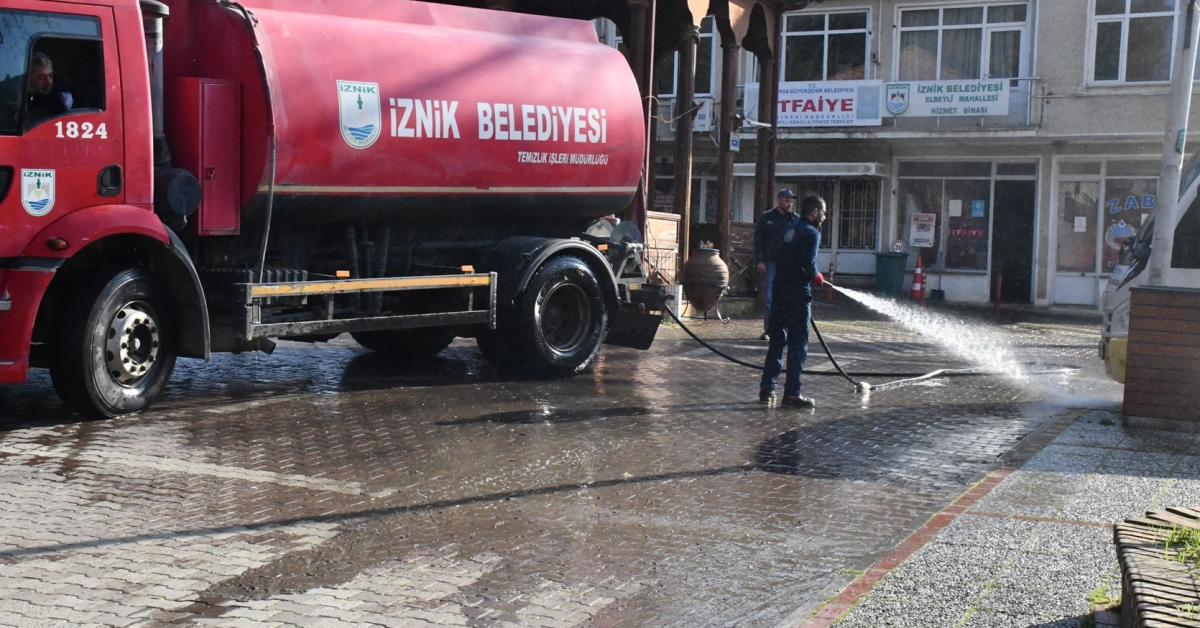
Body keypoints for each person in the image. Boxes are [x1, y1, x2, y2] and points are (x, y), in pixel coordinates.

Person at [759, 195, 827, 408]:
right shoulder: (812, 233)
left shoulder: (788, 230)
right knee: (798, 344)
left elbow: (780, 257)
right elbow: (807, 264)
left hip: (780, 292)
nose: (824, 218)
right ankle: (792, 394)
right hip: (797, 294)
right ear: (815, 212)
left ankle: (767, 390)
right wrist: (816, 276)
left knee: (777, 341)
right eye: (823, 213)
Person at [754, 189, 798, 341]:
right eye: (787, 200)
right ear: (779, 200)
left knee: (787, 296)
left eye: (791, 201)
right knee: (769, 296)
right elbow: (759, 240)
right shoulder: (767, 218)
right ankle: (769, 329)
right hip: (771, 261)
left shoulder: (795, 219)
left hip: (789, 264)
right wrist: (760, 260)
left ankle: (785, 328)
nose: (790, 203)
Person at [26, 53, 73, 123]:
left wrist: (31, 106)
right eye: (41, 77)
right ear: (28, 77)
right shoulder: (18, 86)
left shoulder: (59, 87)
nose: (48, 82)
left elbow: (65, 102)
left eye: (50, 75)